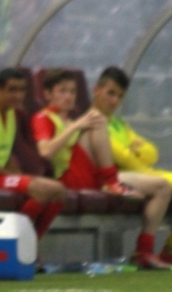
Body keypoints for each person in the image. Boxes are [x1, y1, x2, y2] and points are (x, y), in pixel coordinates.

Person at [91, 66, 172, 266]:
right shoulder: (93, 122)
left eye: (120, 96)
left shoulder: (118, 123)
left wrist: (135, 152)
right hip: (123, 177)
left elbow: (152, 152)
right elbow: (124, 159)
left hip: (146, 173)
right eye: (110, 93)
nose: (114, 101)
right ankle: (171, 249)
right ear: (96, 90)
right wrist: (134, 151)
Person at [0, 68, 67, 239]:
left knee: (58, 191)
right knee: (41, 190)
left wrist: (20, 175)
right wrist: (11, 176)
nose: (18, 95)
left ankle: (30, 241)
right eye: (12, 90)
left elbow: (3, 154)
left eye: (22, 90)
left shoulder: (11, 113)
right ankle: (17, 241)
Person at [31, 69, 142, 207]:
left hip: (86, 172)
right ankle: (112, 181)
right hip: (66, 178)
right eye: (62, 91)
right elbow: (45, 152)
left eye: (72, 92)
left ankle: (111, 181)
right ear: (48, 94)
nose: (68, 96)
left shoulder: (70, 120)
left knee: (96, 120)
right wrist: (76, 126)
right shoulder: (43, 118)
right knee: (97, 119)